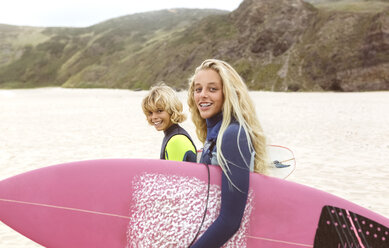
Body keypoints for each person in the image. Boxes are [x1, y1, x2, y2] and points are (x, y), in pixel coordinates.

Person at [187, 59, 268, 247]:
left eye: (212, 89)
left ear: (228, 93)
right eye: (198, 89)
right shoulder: (214, 136)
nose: (202, 96)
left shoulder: (233, 135)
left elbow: (230, 221)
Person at [142, 83, 197, 162]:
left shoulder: (176, 140)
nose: (154, 117)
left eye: (159, 111)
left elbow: (177, 174)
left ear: (172, 110)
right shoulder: (174, 135)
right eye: (150, 113)